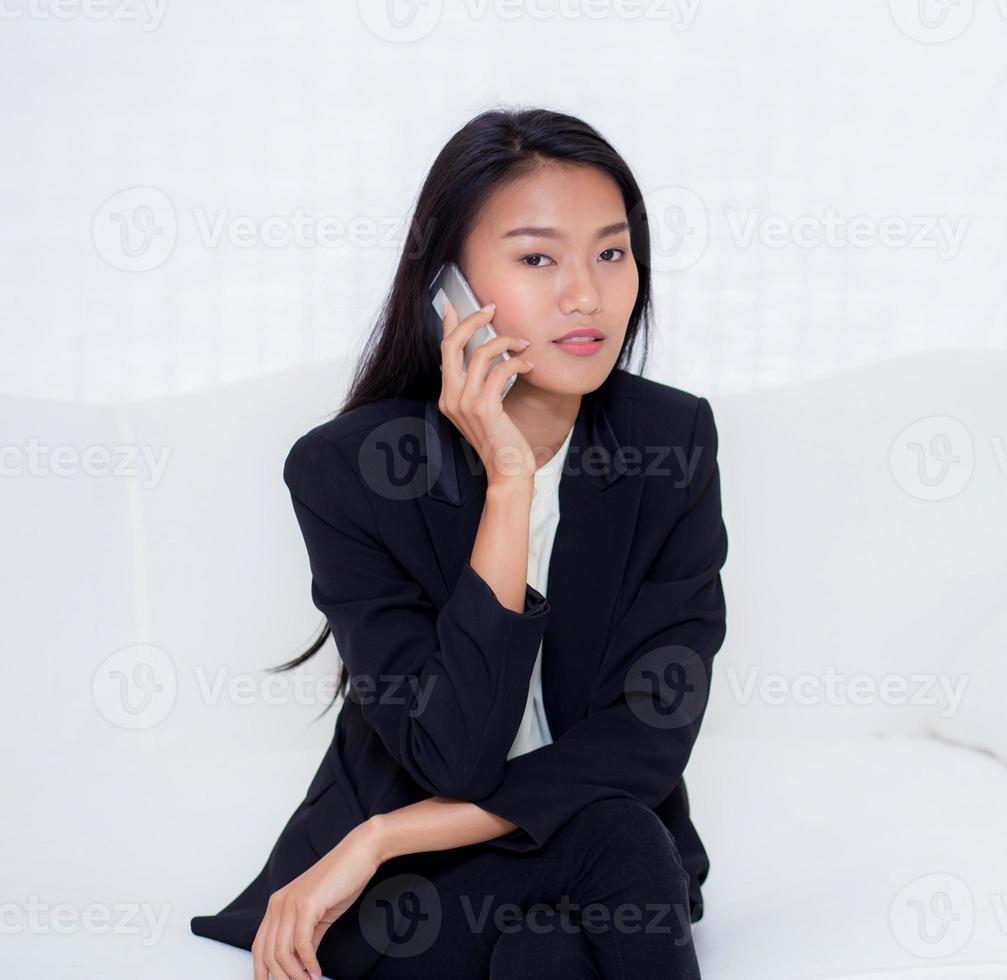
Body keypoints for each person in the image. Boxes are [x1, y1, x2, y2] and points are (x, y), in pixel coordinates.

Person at [189, 106, 728, 980]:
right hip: (412, 884)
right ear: (449, 288)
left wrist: (384, 833)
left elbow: (645, 743)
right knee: (557, 939)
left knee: (600, 865)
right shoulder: (349, 474)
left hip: (571, 847)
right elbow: (454, 752)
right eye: (537, 257)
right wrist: (508, 485)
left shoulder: (672, 443)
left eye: (612, 250)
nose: (587, 294)